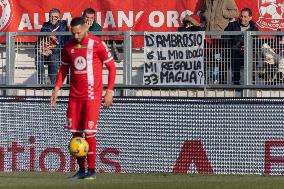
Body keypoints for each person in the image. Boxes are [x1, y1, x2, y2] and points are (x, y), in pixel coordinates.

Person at [50, 17, 116, 180]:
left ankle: (92, 170)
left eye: (79, 32)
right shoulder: (68, 45)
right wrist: (56, 89)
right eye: (74, 33)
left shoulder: (97, 44)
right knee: (75, 135)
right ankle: (81, 170)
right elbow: (63, 69)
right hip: (74, 97)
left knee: (89, 133)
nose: (77, 36)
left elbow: (112, 67)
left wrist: (109, 91)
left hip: (92, 97)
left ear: (86, 27)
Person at [224, 8, 259, 84]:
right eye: (241, 16)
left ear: (250, 18)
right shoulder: (232, 25)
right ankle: (236, 81)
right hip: (235, 51)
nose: (243, 19)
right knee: (235, 55)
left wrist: (247, 47)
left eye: (245, 17)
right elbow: (224, 38)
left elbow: (257, 44)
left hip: (249, 53)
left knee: (252, 56)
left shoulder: (254, 29)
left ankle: (251, 81)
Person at [36, 8, 69, 84]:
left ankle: (53, 84)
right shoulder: (45, 25)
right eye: (51, 16)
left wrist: (52, 49)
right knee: (38, 58)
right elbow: (42, 37)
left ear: (59, 18)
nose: (53, 18)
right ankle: (41, 83)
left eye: (55, 17)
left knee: (53, 59)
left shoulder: (63, 27)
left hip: (57, 51)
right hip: (45, 50)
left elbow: (63, 42)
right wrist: (46, 46)